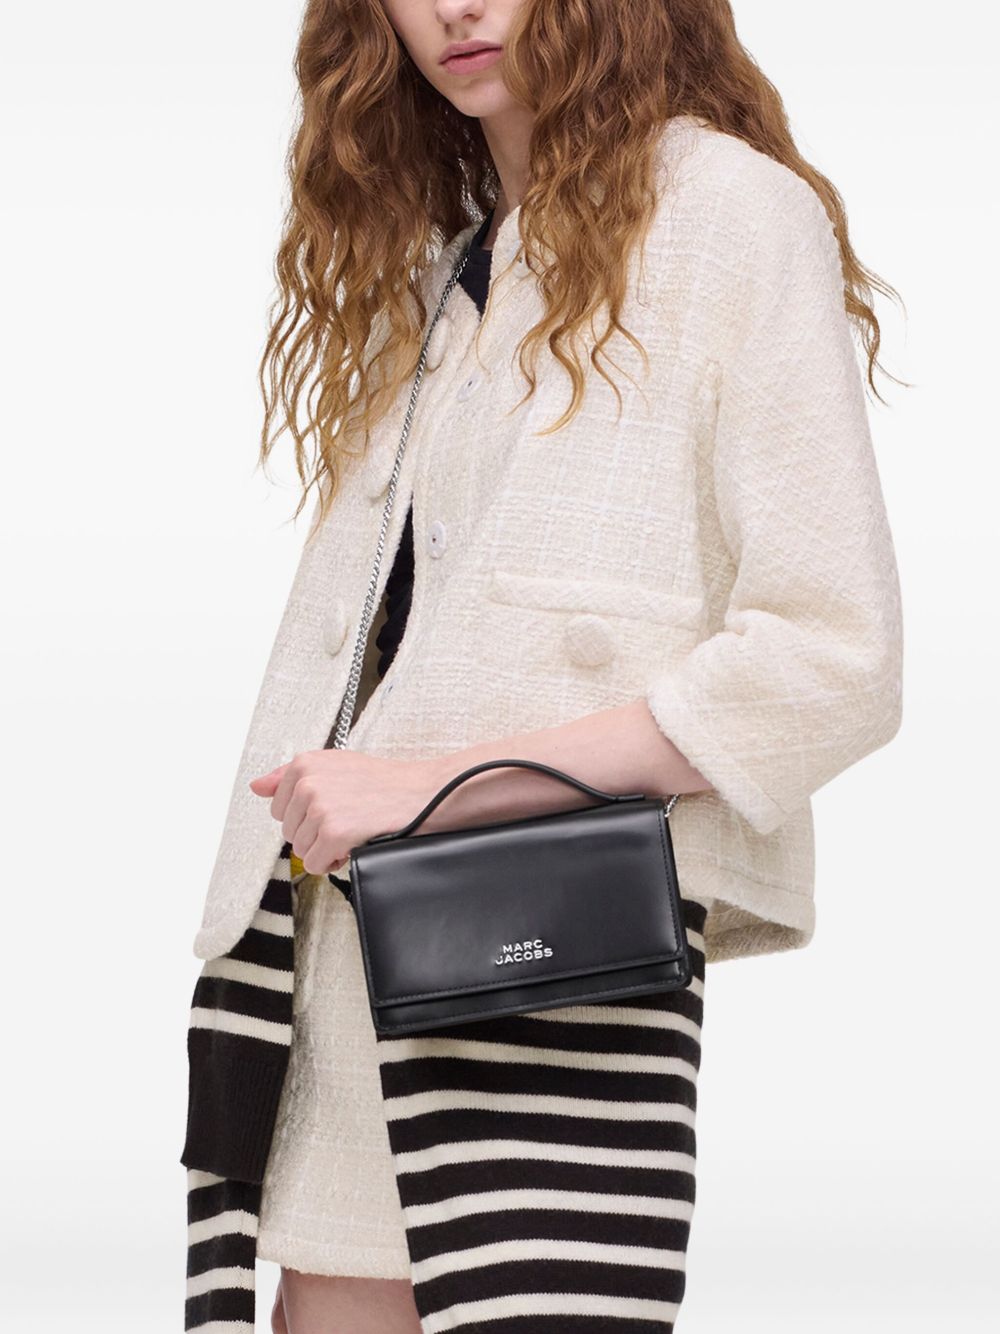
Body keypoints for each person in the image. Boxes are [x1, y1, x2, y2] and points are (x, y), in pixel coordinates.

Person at [180, 2, 905, 1332]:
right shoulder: (446, 271)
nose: (454, 8)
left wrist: (438, 789)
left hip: (538, 954)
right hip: (337, 949)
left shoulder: (730, 219)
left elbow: (831, 657)